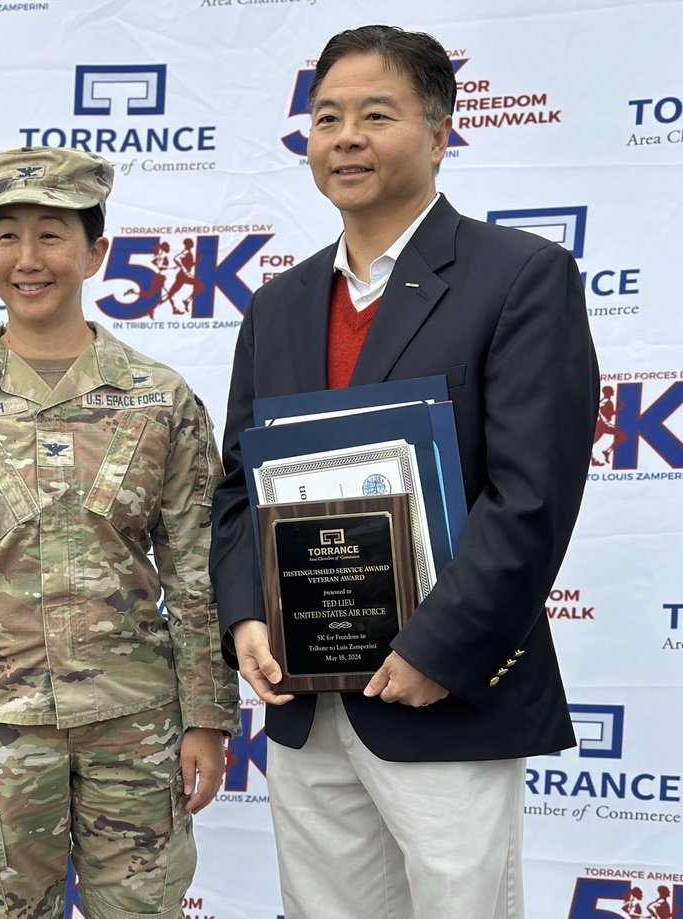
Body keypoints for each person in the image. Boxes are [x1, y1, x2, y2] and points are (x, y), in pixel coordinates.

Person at [209, 25, 598, 919]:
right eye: (326, 116)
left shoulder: (520, 277)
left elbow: (532, 495)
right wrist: (246, 618)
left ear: (439, 131)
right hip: (307, 703)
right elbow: (239, 487)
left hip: (442, 693)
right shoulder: (277, 305)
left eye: (375, 114)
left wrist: (438, 646)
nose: (345, 136)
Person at [0, 146, 240, 919]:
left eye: (51, 235)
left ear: (95, 252)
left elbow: (198, 571)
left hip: (135, 725)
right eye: (7, 235)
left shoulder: (160, 400)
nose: (27, 258)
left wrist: (207, 717)